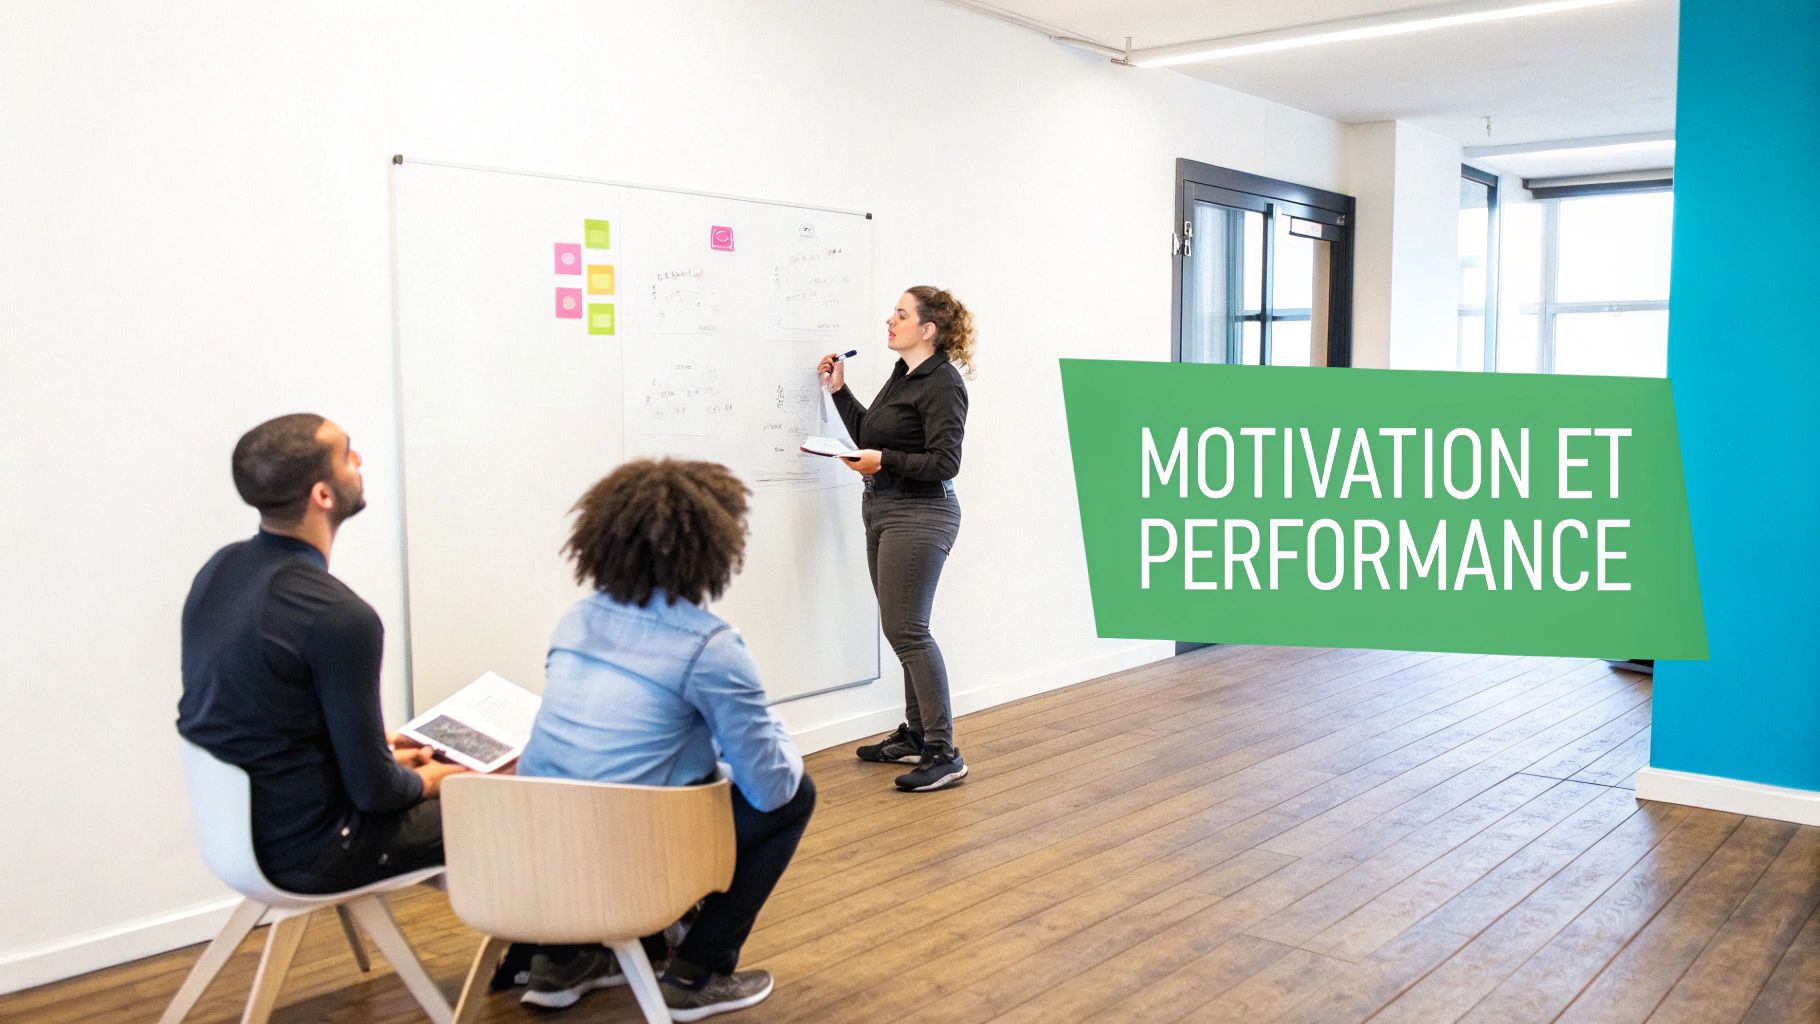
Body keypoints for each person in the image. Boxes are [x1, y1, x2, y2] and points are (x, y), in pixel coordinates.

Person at [514, 459, 815, 1020]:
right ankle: (697, 972)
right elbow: (771, 789)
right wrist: (769, 728)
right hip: (636, 857)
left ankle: (565, 959)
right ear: (713, 548)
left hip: (542, 854)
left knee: (669, 772)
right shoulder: (710, 646)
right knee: (797, 794)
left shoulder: (575, 620)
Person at [178, 414, 468, 894]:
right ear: (323, 496)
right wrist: (431, 780)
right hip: (317, 848)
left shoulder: (222, 569)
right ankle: (563, 960)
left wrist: (384, 748)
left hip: (241, 837)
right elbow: (377, 794)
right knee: (511, 807)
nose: (359, 461)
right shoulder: (340, 617)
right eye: (347, 454)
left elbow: (264, 716)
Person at [819, 286, 974, 792]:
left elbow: (944, 462)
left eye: (901, 314)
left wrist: (885, 461)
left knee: (908, 629)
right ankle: (915, 735)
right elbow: (871, 433)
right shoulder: (903, 374)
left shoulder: (943, 383)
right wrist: (840, 392)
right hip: (883, 506)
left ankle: (943, 751)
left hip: (922, 511)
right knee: (899, 627)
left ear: (927, 330)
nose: (890, 320)